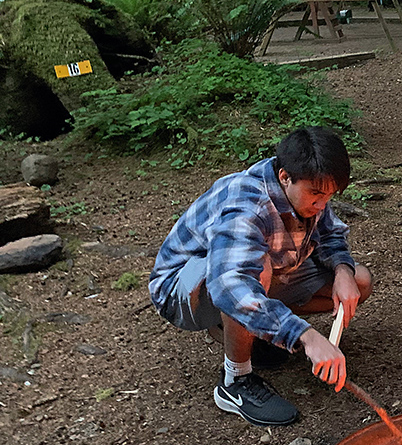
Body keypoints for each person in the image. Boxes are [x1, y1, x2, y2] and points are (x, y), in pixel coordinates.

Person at [148, 126, 372, 426]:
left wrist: (343, 269)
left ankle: (250, 332)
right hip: (185, 291)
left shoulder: (306, 182)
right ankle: (235, 382)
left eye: (329, 196)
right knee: (254, 272)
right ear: (284, 178)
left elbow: (329, 233)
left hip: (256, 273)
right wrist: (304, 335)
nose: (322, 204)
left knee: (360, 280)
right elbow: (231, 285)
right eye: (316, 195)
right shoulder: (247, 203)